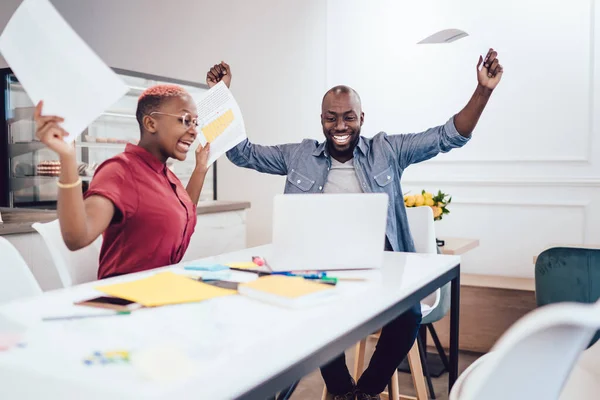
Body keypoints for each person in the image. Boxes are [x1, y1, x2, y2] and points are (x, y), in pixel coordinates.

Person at [208, 48, 503, 399]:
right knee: (309, 313)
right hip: (320, 272)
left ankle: (366, 391)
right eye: (331, 119)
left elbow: (448, 135)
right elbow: (242, 153)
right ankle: (342, 390)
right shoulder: (299, 156)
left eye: (349, 117)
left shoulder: (388, 150)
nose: (341, 127)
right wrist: (219, 97)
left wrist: (483, 91)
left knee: (408, 315)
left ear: (362, 116)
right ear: (321, 120)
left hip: (383, 271)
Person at [34, 84, 211, 279]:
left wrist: (200, 169)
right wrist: (67, 157)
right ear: (151, 124)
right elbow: (77, 237)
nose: (194, 131)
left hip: (160, 291)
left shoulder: (166, 176)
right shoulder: (119, 172)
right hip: (126, 299)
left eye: (195, 122)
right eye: (186, 120)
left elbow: (185, 212)